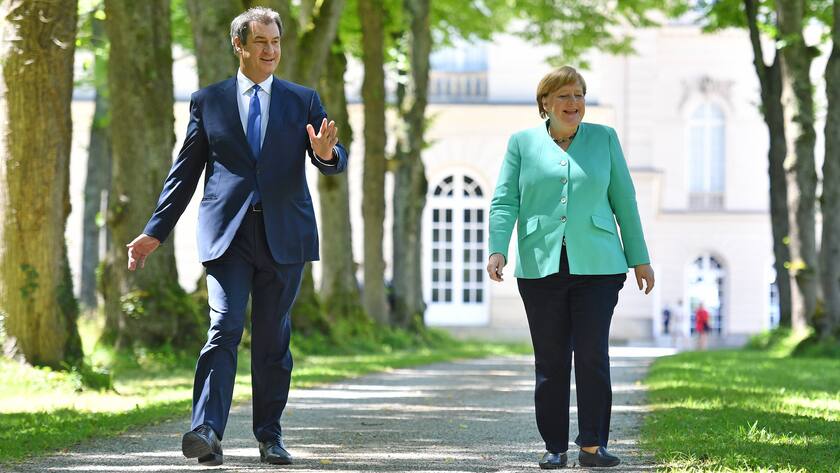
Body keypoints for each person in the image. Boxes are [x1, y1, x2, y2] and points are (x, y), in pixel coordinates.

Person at [125, 7, 347, 467]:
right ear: (239, 46)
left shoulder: (302, 99)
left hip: (284, 234)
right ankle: (206, 430)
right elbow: (184, 173)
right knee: (224, 327)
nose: (271, 51)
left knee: (271, 339)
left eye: (276, 42)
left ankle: (269, 436)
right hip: (228, 234)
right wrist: (154, 232)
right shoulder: (208, 101)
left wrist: (327, 156)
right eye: (261, 42)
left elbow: (332, 154)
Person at [486, 66, 654, 469]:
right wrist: (498, 249)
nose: (573, 103)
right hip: (539, 265)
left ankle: (593, 446)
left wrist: (640, 258)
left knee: (593, 354)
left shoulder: (604, 139)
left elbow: (624, 201)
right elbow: (505, 200)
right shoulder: (522, 143)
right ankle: (554, 446)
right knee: (551, 359)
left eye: (578, 95)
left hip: (598, 265)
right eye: (563, 96)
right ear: (545, 102)